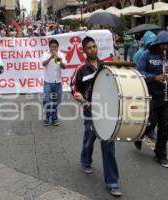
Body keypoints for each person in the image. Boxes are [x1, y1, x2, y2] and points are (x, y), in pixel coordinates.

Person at [71, 36, 122, 197]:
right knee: (89, 139)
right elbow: (73, 86)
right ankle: (86, 160)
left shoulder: (106, 66)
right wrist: (79, 96)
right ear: (84, 50)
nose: (93, 49)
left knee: (108, 146)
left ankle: (112, 182)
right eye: (89, 48)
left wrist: (119, 64)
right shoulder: (81, 69)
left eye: (94, 47)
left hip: (106, 111)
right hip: (89, 111)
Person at [135, 31, 168, 167]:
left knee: (165, 127)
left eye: (167, 45)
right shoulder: (147, 55)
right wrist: (154, 77)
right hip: (152, 95)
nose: (165, 48)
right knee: (150, 123)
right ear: (157, 43)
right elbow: (139, 72)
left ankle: (160, 154)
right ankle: (139, 135)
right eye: (163, 45)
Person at [41, 39, 66, 126]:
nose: (53, 48)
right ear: (49, 47)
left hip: (58, 82)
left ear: (58, 47)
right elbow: (43, 64)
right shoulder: (45, 54)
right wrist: (51, 57)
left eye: (55, 47)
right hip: (48, 82)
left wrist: (56, 58)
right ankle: (47, 117)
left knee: (57, 101)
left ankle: (54, 118)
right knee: (47, 100)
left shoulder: (61, 55)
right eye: (52, 47)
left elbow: (64, 67)